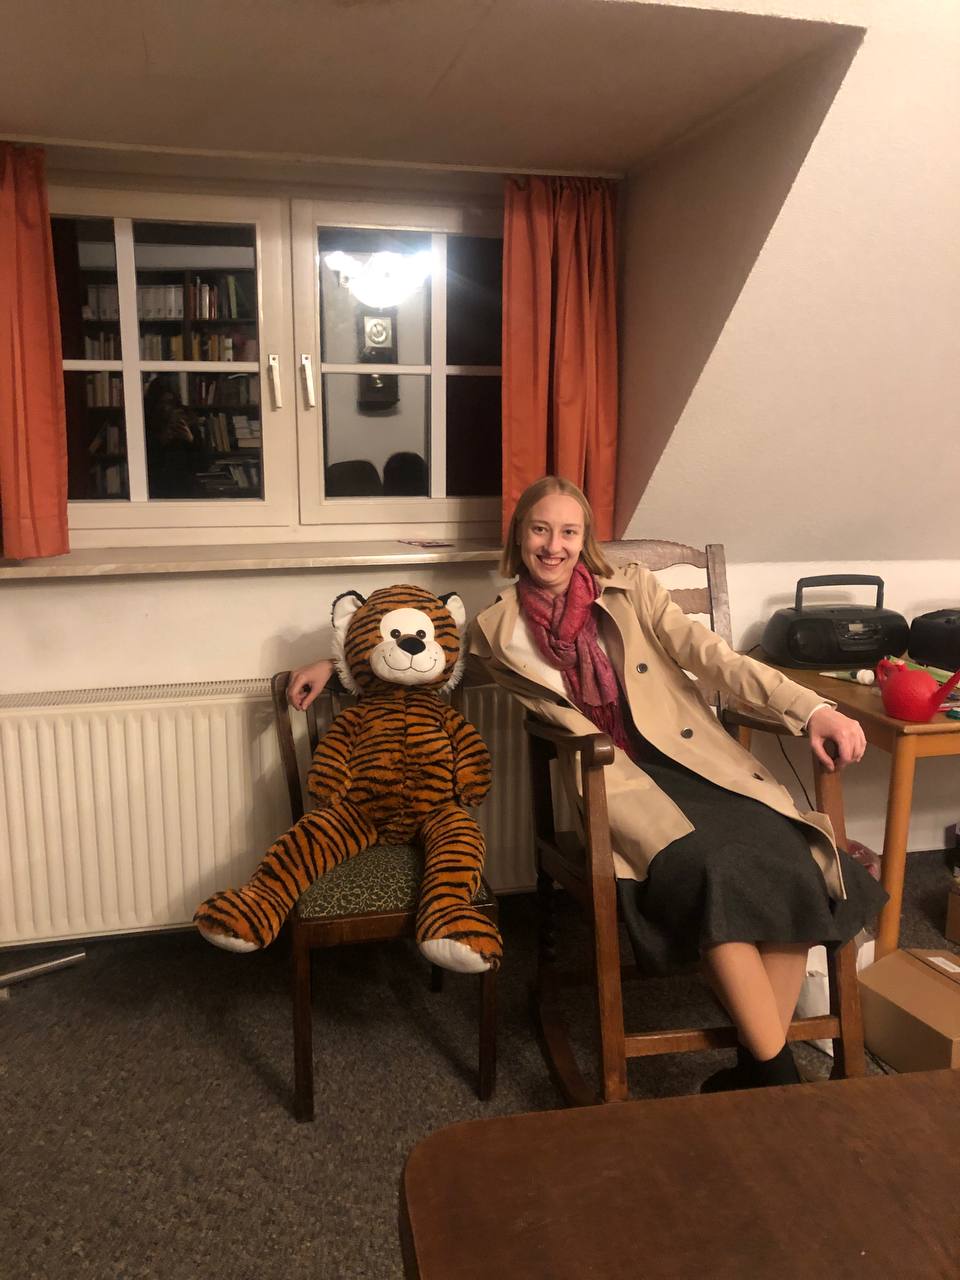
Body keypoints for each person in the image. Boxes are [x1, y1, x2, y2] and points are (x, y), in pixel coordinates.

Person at [288, 475, 886, 1092]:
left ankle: (760, 1070)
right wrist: (335, 665)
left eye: (568, 532)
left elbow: (716, 659)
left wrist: (812, 709)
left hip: (699, 765)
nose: (554, 546)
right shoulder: (496, 628)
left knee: (793, 855)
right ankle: (778, 1075)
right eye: (540, 530)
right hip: (619, 783)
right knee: (711, 868)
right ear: (520, 536)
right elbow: (425, 652)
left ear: (585, 539)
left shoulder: (634, 591)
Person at [143, 375, 211, 499]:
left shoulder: (186, 421)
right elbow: (145, 464)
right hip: (155, 489)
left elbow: (204, 464)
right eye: (162, 403)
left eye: (170, 402)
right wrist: (163, 439)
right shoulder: (146, 425)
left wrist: (191, 440)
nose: (167, 408)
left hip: (186, 489)